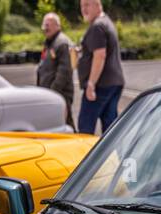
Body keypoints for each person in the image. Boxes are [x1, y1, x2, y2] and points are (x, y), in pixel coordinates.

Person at [76, 0, 123, 135]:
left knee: (85, 126)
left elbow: (100, 55)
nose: (84, 9)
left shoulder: (97, 26)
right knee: (110, 129)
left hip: (100, 85)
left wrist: (91, 83)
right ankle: (112, 156)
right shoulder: (106, 22)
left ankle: (84, 156)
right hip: (113, 82)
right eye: (82, 6)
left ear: (98, 5)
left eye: (87, 5)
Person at [36, 13, 74, 129]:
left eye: (48, 25)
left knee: (65, 126)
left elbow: (64, 71)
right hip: (50, 95)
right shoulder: (50, 42)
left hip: (60, 95)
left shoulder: (62, 43)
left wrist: (52, 93)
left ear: (57, 26)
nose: (45, 27)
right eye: (44, 24)